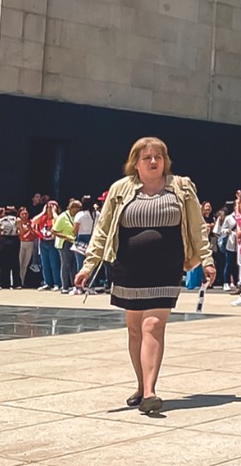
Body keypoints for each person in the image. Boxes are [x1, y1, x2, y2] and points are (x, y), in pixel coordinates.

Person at [73, 136, 216, 415]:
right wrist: (88, 266)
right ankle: (141, 386)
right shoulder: (121, 190)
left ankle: (150, 391)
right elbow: (103, 231)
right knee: (135, 329)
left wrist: (207, 260)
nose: (153, 162)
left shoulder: (181, 188)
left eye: (158, 157)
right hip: (129, 268)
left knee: (153, 325)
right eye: (147, 157)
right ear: (135, 163)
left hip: (166, 266)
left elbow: (198, 227)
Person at [53, 200, 82, 294]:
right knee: (66, 264)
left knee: (74, 264)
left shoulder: (77, 216)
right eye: (76, 210)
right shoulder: (62, 217)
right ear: (71, 208)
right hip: (64, 242)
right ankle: (64, 286)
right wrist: (65, 236)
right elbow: (54, 231)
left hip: (74, 242)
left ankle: (74, 285)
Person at [34, 201, 60, 291]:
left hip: (53, 242)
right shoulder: (43, 218)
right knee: (45, 264)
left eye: (51, 207)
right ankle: (47, 282)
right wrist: (43, 212)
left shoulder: (56, 217)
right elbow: (34, 221)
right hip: (43, 242)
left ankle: (57, 283)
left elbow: (58, 221)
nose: (49, 208)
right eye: (48, 207)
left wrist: (54, 212)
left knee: (54, 264)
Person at [0, 205, 21, 289]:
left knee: (2, 263)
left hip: (3, 240)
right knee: (15, 262)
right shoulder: (17, 220)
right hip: (14, 240)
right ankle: (16, 283)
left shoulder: (0, 220)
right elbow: (20, 232)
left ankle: (0, 283)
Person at [15, 207, 38, 285]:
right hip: (21, 243)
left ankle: (22, 281)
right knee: (19, 263)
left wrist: (30, 228)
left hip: (30, 243)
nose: (24, 216)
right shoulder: (17, 222)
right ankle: (16, 281)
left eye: (26, 214)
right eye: (22, 214)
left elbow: (35, 234)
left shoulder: (31, 222)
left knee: (25, 264)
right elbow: (20, 233)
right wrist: (21, 226)